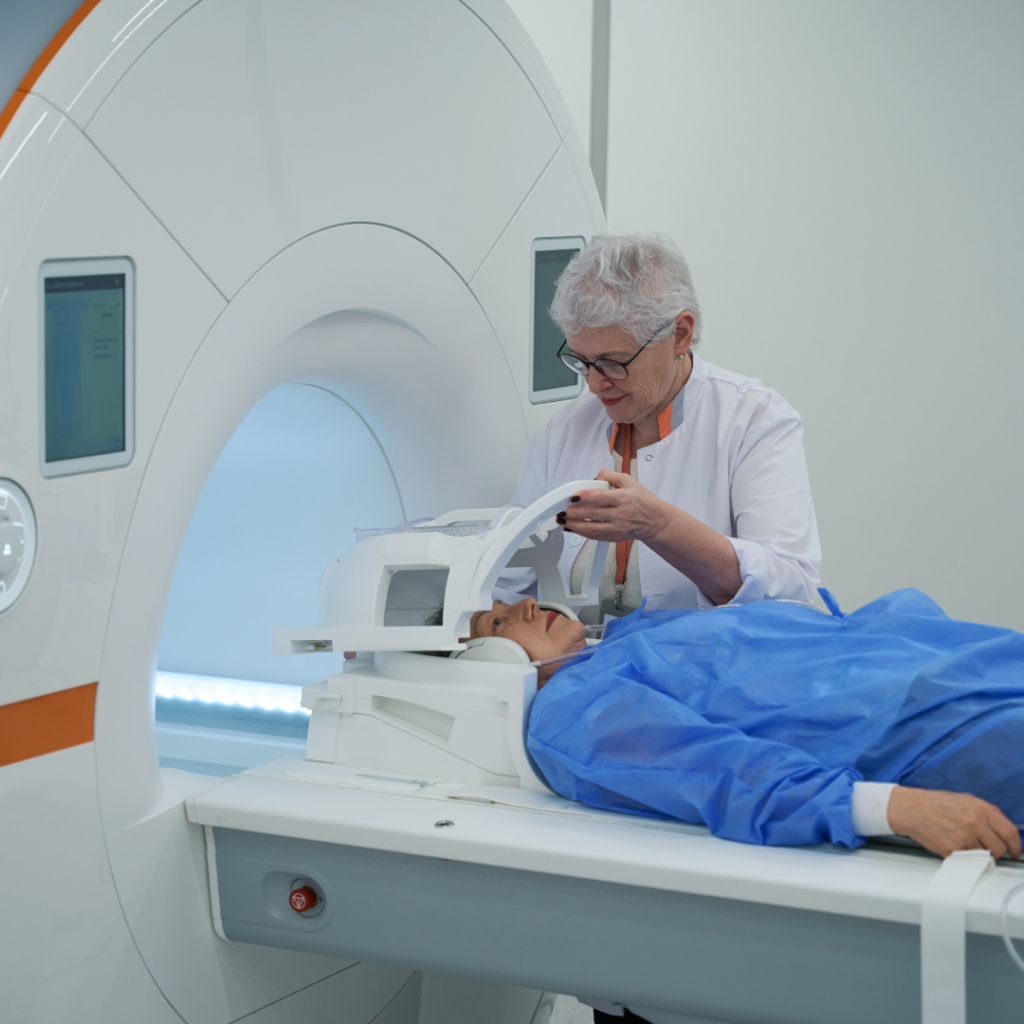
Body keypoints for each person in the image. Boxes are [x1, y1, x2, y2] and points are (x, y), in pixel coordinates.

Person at [466, 593, 1024, 862]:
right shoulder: (571, 711)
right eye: (497, 621)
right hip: (933, 729)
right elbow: (724, 773)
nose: (525, 603)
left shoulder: (625, 637)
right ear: (484, 664)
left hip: (952, 660)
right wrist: (895, 807)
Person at [508, 234, 820, 619]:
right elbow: (507, 585)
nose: (594, 383)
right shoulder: (563, 434)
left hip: (703, 668)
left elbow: (792, 590)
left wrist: (656, 524)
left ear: (680, 335)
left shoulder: (754, 420)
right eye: (582, 360)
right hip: (582, 671)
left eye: (613, 361)